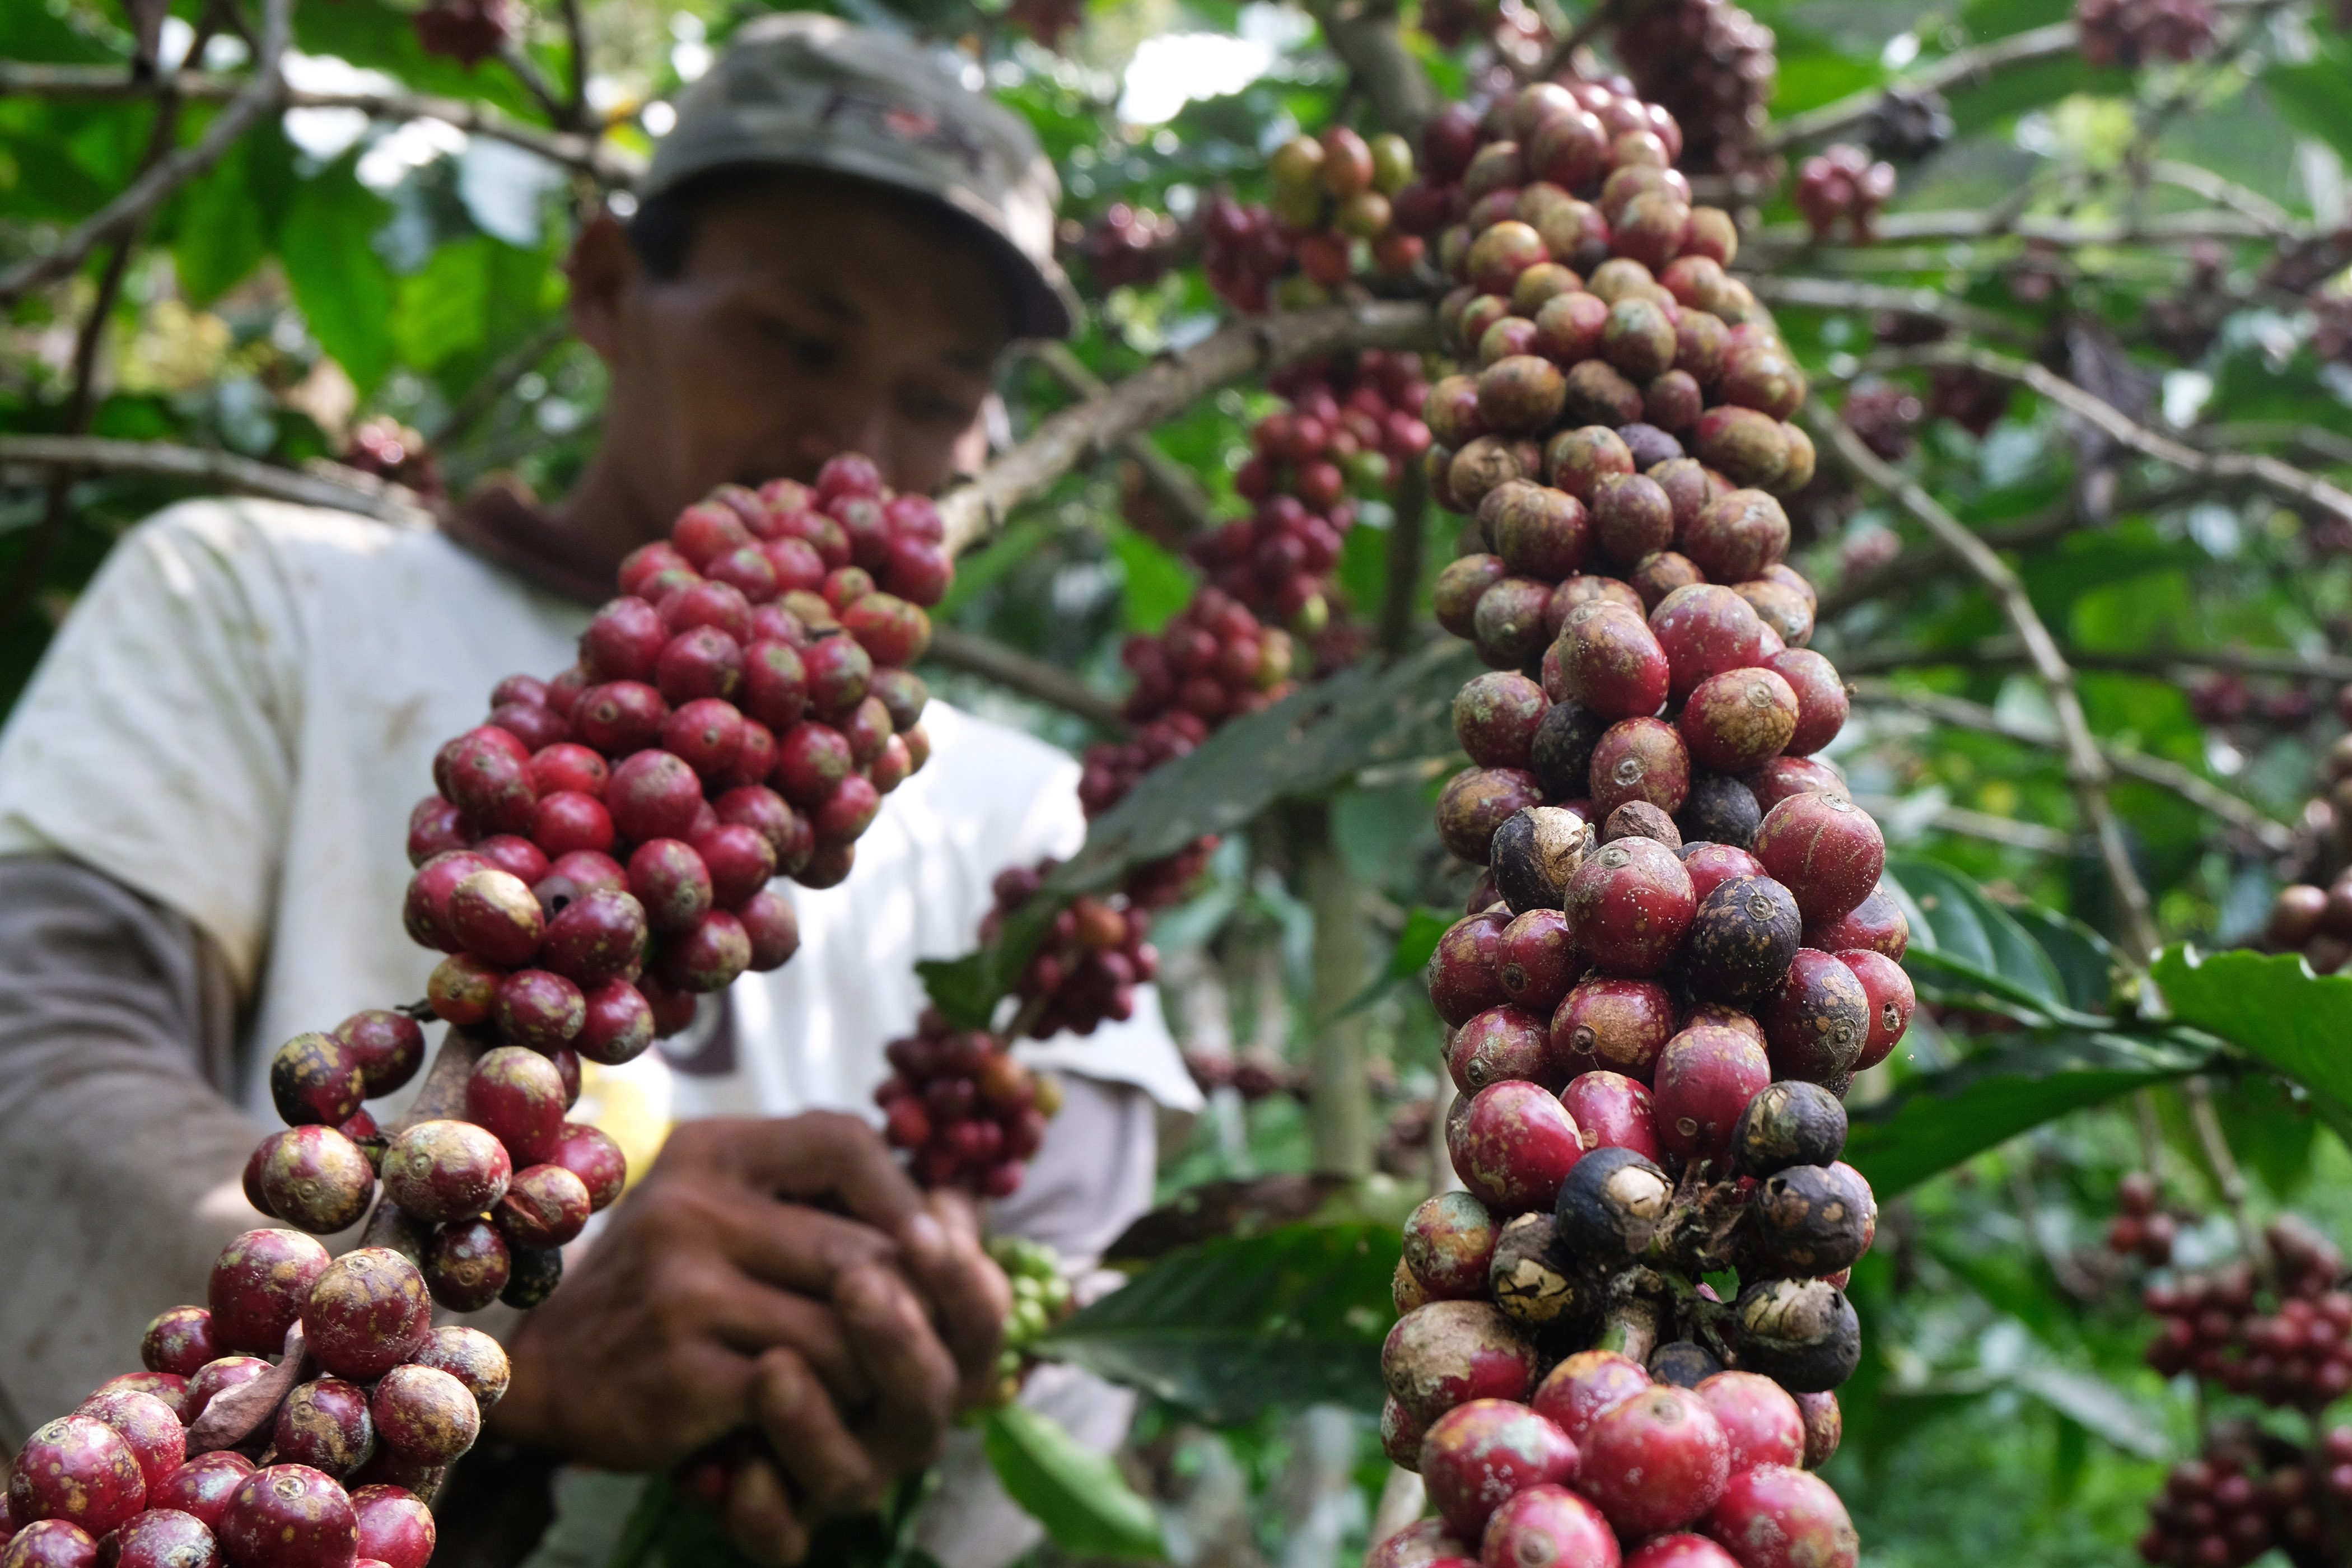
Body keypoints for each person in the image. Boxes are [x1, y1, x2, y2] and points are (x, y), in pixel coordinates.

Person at [0, 16, 1197, 1567]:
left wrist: (930, 1396)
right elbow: (26, 1075)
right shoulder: (258, 598)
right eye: (803, 338)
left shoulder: (1029, 818)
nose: (859, 442)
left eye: (940, 394)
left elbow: (1078, 1302)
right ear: (608, 287)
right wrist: (486, 1336)